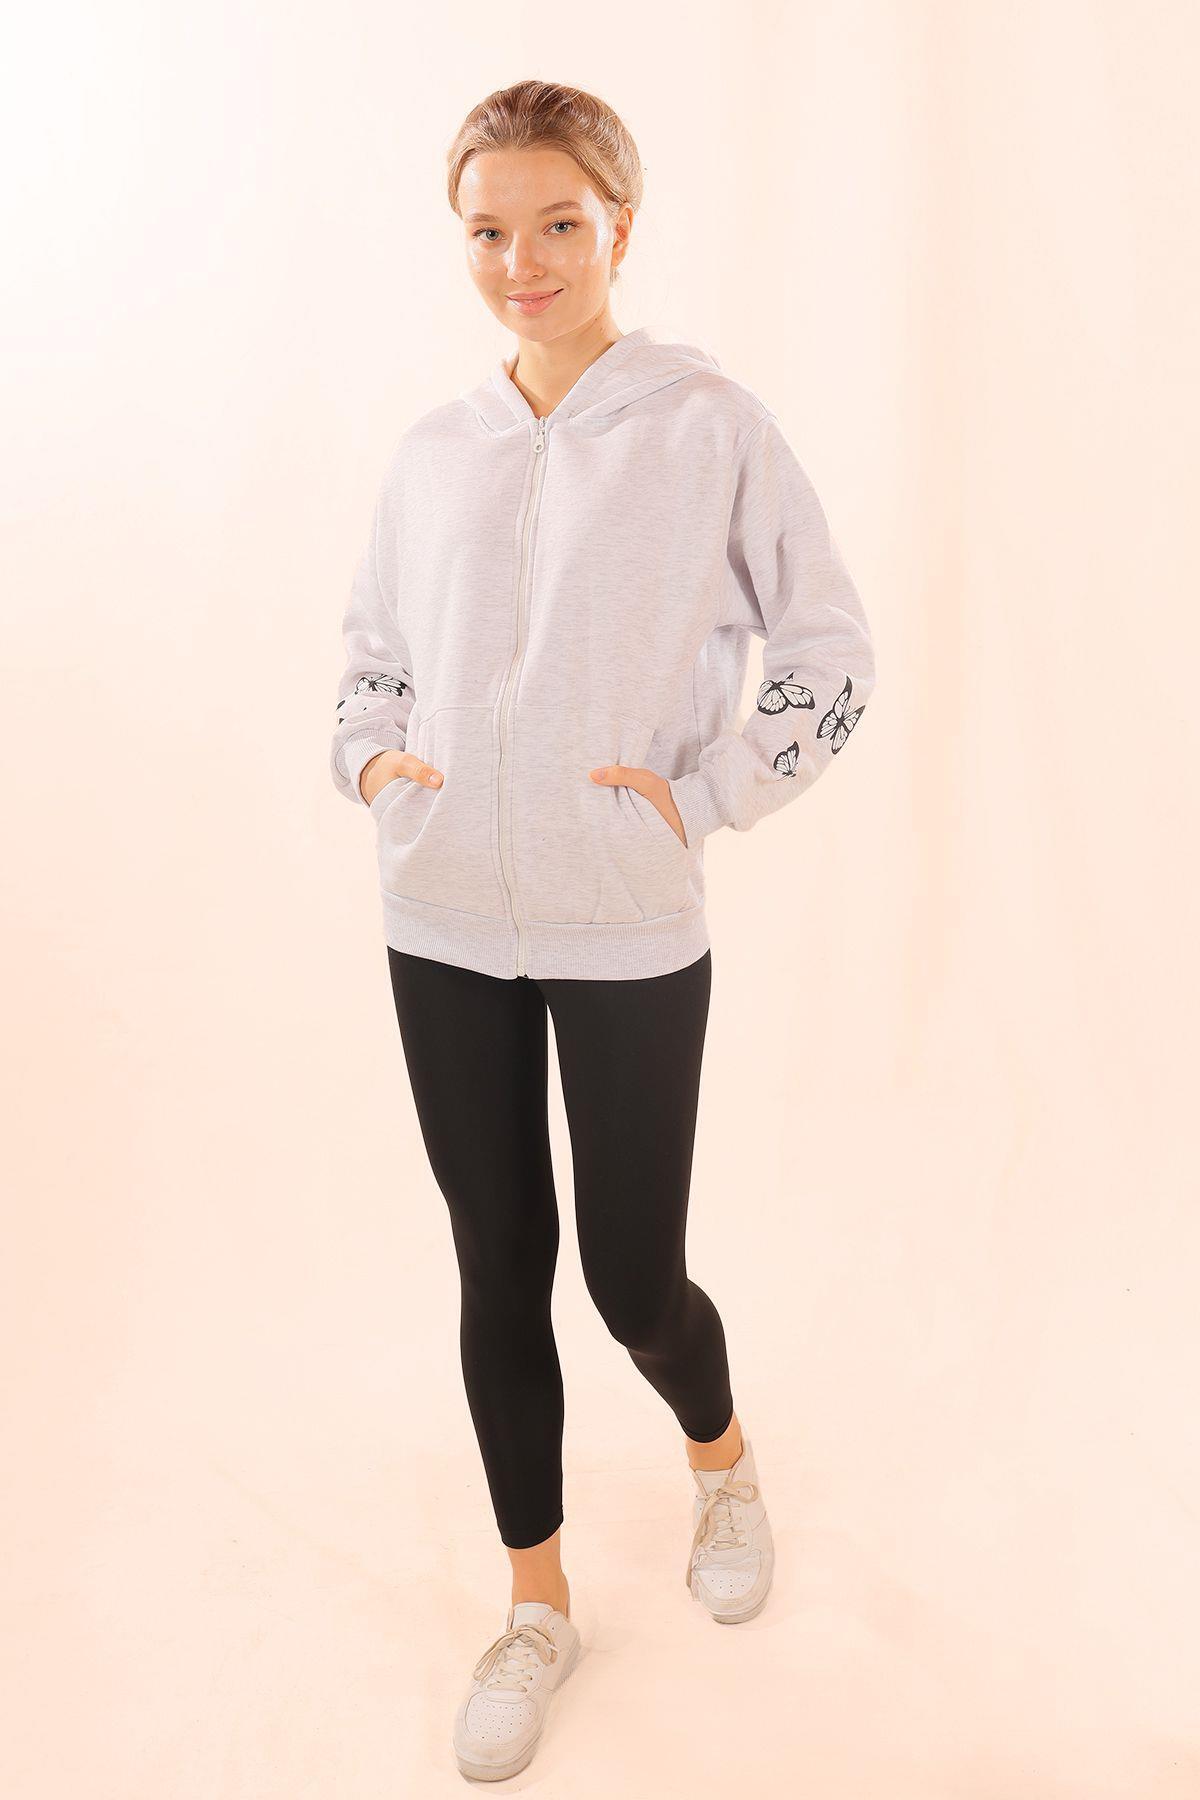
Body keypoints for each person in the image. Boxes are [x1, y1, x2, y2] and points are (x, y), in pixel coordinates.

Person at [330, 77, 876, 1783]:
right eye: (489, 230)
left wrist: (706, 797)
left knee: (634, 1275)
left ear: (619, 226)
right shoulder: (434, 452)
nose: (524, 262)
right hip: (440, 921)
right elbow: (367, 656)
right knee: (498, 1265)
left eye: (559, 223)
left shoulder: (708, 426)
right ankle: (537, 1606)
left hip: (630, 920)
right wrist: (378, 768)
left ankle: (721, 1461)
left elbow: (831, 650)